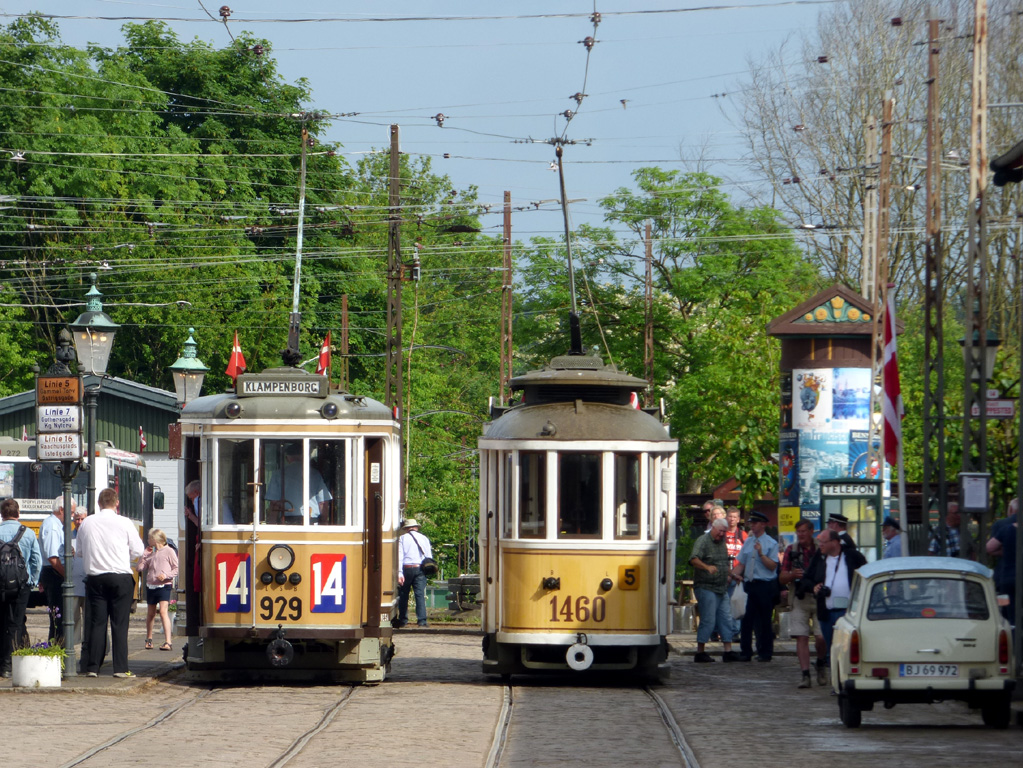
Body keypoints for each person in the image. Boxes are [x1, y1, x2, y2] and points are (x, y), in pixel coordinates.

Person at [76, 488, 145, 678]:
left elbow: (79, 551)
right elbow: (138, 550)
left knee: (97, 623)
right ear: (117, 503)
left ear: (99, 503)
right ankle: (120, 668)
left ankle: (92, 667)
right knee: (119, 624)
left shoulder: (87, 522)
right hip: (120, 576)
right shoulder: (124, 522)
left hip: (95, 577)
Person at [802, 529, 866, 664]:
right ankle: (832, 670)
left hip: (848, 613)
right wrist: (814, 587)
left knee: (847, 649)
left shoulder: (852, 556)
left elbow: (866, 575)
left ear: (835, 542)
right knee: (831, 649)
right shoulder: (819, 558)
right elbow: (806, 579)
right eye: (819, 542)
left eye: (823, 542)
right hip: (826, 612)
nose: (820, 545)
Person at [780, 518, 828, 687]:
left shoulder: (821, 548)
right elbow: (782, 577)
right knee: (801, 636)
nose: (800, 535)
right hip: (799, 597)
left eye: (803, 531)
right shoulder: (791, 550)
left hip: (820, 597)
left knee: (821, 637)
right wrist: (792, 575)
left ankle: (820, 663)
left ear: (811, 531)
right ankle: (805, 674)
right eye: (798, 532)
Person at [730, 510, 779, 662]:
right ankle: (745, 652)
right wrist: (732, 575)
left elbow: (772, 566)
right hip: (750, 585)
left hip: (765, 585)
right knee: (746, 619)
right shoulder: (748, 541)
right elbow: (742, 563)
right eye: (751, 523)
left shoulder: (771, 543)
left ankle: (765, 652)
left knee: (764, 621)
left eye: (755, 523)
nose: (752, 525)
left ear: (763, 524)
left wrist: (761, 554)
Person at [689, 518, 740, 662]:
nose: (722, 534)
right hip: (706, 587)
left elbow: (723, 564)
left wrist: (733, 575)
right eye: (720, 531)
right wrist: (707, 567)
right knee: (708, 619)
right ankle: (700, 652)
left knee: (726, 619)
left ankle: (728, 651)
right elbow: (693, 559)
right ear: (713, 528)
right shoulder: (703, 541)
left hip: (721, 588)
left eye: (724, 532)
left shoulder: (722, 542)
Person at [0, 499, 42, 678]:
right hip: (21, 585)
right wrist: (33, 581)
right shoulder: (28, 533)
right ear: (18, 514)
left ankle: (1, 663)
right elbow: (37, 560)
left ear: (2, 514)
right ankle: (10, 665)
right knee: (16, 623)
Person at [266, 443, 332, 524]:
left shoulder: (278, 474)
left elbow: (274, 502)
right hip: (310, 521)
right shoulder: (314, 474)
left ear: (287, 458)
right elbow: (322, 502)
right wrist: (324, 522)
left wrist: (272, 523)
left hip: (286, 521)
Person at [39, 496, 75, 645]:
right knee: (58, 618)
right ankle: (57, 649)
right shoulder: (53, 526)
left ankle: (59, 647)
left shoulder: (57, 525)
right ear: (62, 509)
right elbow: (53, 558)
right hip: (55, 574)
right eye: (71, 512)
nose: (72, 517)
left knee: (61, 617)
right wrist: (67, 576)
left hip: (56, 572)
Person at [138, 529, 178, 651]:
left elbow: (176, 568)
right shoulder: (151, 553)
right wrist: (144, 555)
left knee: (163, 612)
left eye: (149, 538)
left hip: (164, 585)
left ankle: (168, 641)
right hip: (151, 585)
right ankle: (149, 639)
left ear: (155, 539)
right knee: (150, 614)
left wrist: (166, 575)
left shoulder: (169, 551)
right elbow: (140, 568)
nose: (147, 540)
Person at [986, 498, 1017, 627]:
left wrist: (1007, 551)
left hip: (1005, 579)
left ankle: (1007, 629)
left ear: (1011, 509)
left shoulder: (1003, 526)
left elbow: (989, 548)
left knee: (1004, 609)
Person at [395, 519, 432, 628]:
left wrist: (399, 572)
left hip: (406, 568)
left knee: (403, 595)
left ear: (406, 528)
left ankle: (403, 620)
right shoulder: (424, 538)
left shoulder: (402, 538)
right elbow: (429, 557)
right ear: (416, 527)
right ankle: (422, 620)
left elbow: (400, 556)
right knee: (420, 595)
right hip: (420, 569)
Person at [722, 507, 747, 642]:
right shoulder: (721, 534)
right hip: (723, 575)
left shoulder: (743, 535)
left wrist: (739, 574)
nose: (732, 519)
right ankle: (722, 631)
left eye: (734, 517)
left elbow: (747, 556)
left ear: (738, 519)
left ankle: (735, 632)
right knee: (723, 605)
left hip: (738, 575)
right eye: (730, 516)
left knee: (736, 603)